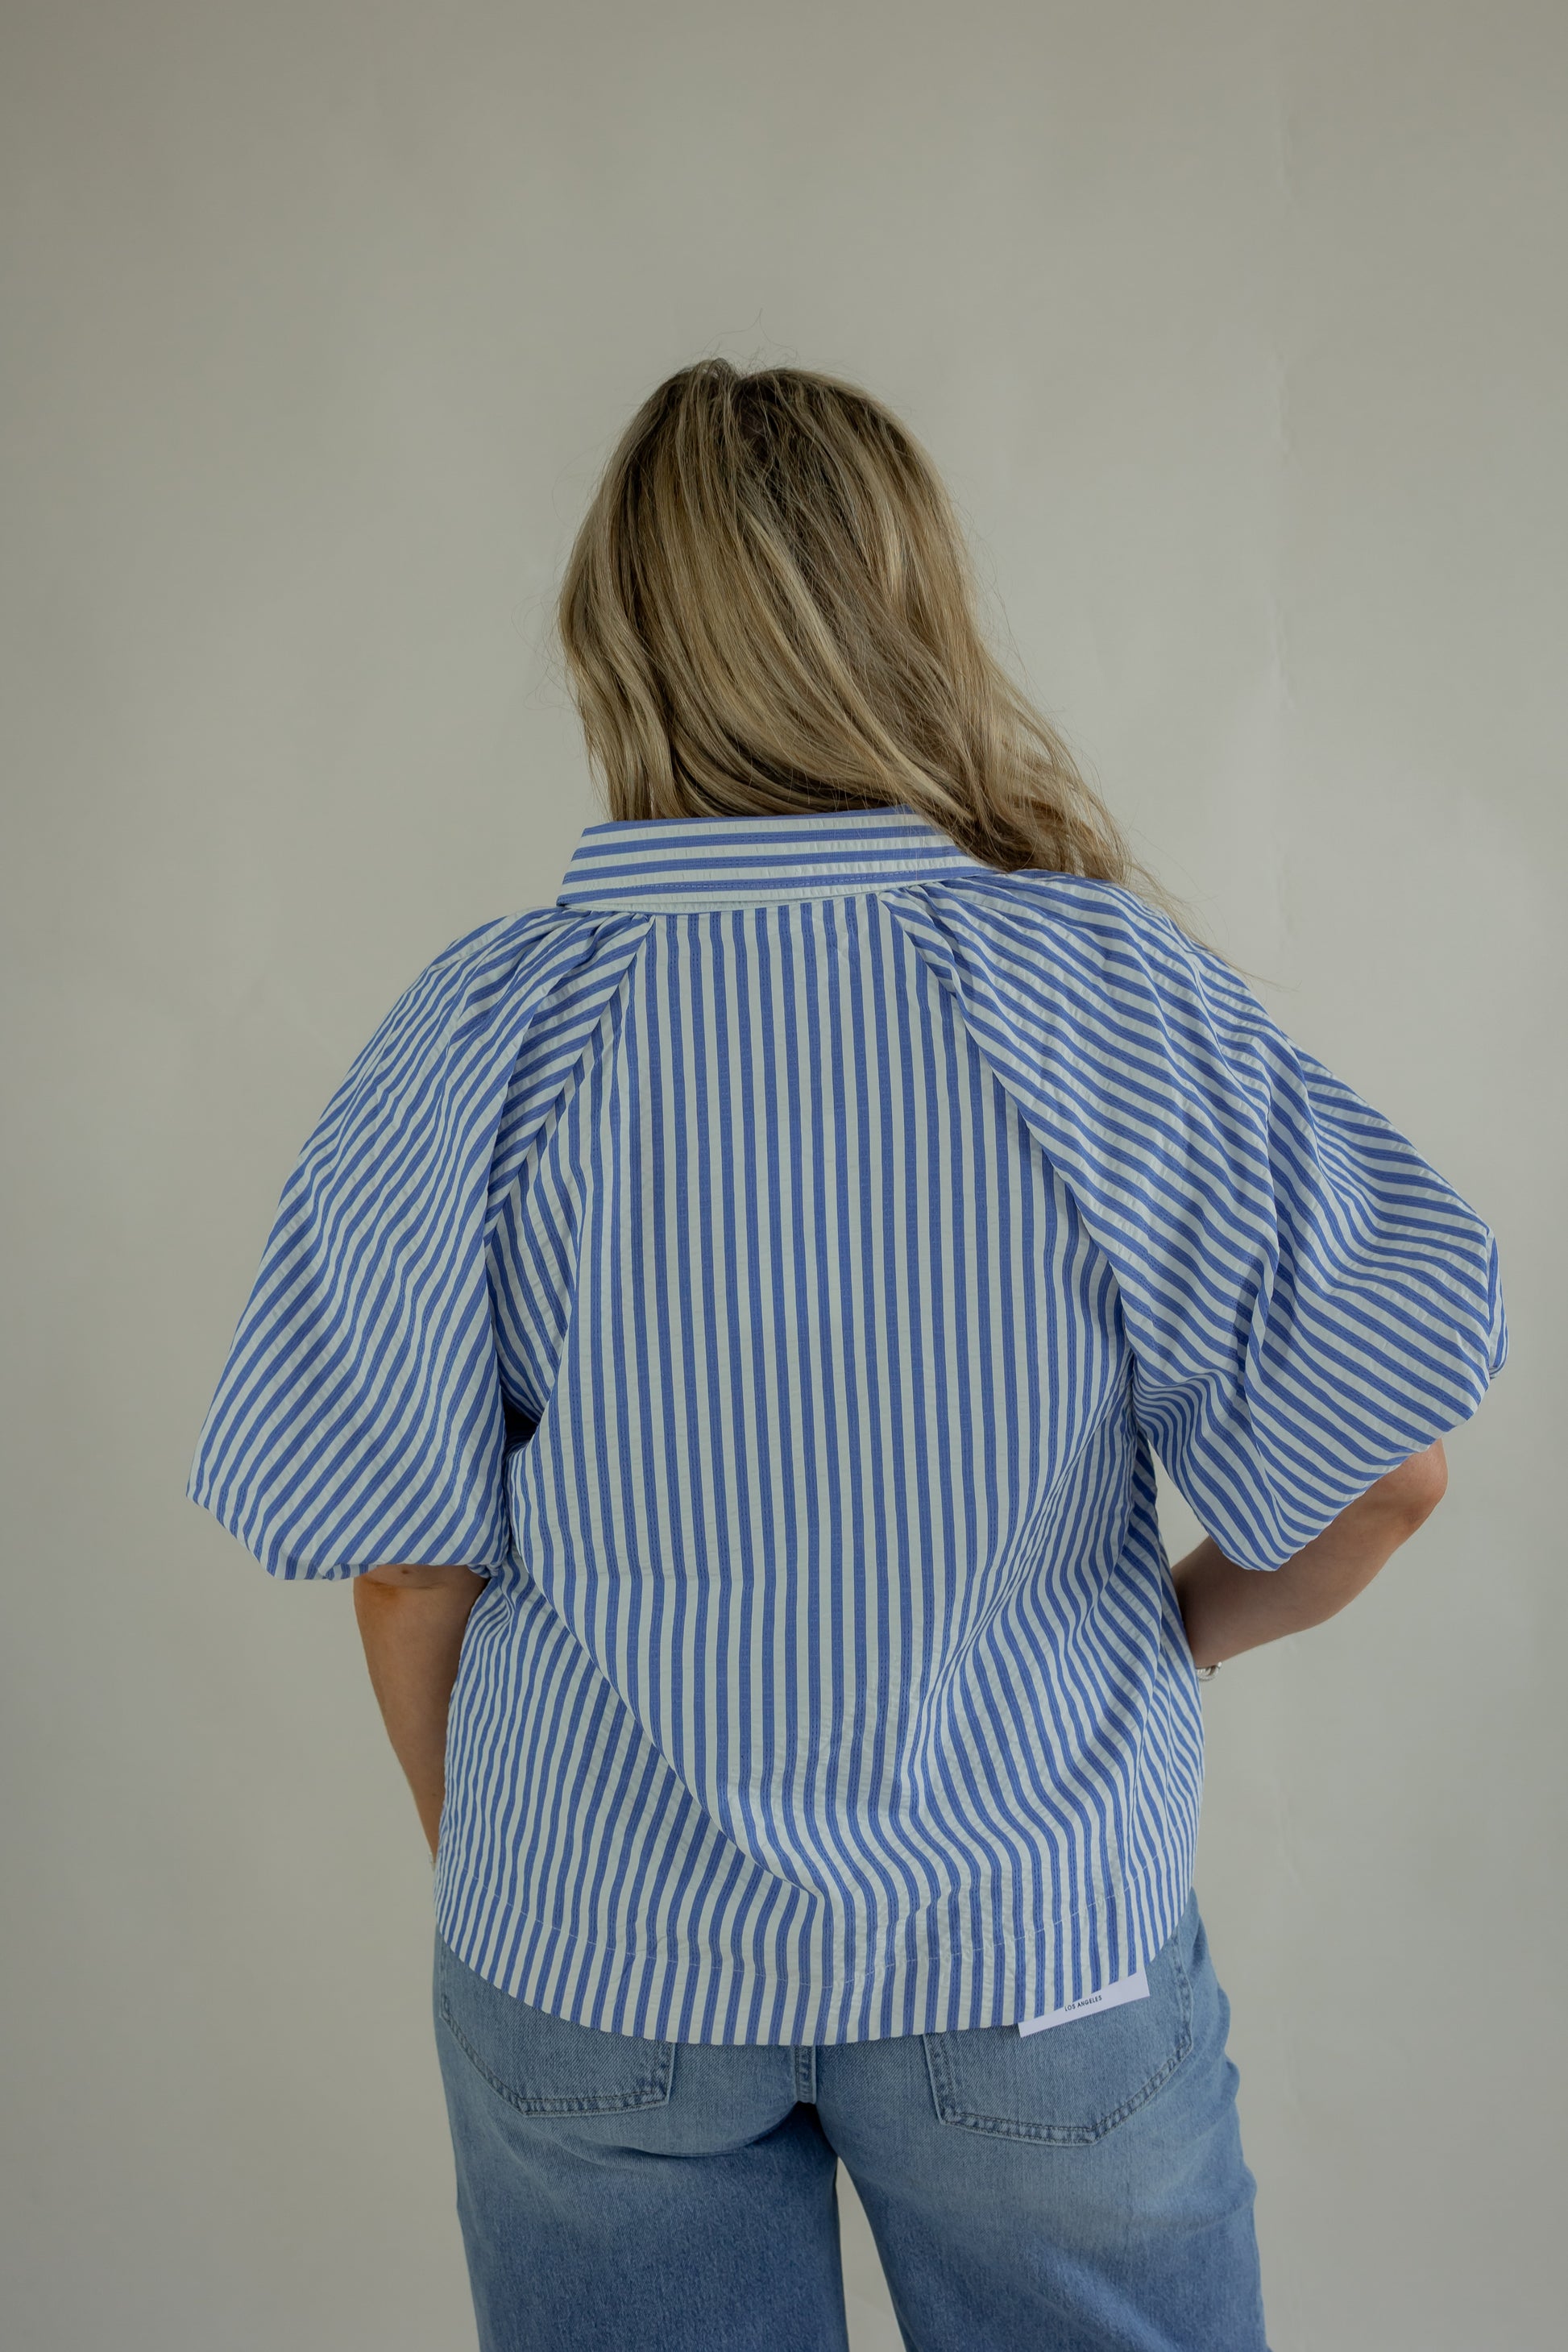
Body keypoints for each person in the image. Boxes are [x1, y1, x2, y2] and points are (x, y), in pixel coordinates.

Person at [187, 360, 1506, 2352]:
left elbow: (401, 1568)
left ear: (615, 640)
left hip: (595, 1964)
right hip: (1034, 1946)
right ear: (917, 617)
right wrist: (1176, 1636)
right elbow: (1388, 1471)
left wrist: (534, 1887)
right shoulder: (1098, 992)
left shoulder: (491, 1030)